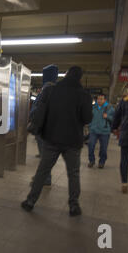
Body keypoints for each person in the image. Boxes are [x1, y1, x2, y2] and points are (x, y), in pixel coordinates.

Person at [21, 66, 92, 216]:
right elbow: (87, 118)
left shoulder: (52, 90)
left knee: (42, 171)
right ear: (80, 78)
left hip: (51, 139)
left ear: (66, 75)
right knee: (73, 174)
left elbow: (42, 110)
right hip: (73, 141)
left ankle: (30, 201)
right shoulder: (84, 94)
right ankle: (74, 206)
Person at [29, 64, 59, 186]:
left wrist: (32, 118)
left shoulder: (46, 90)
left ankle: (44, 179)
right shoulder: (57, 90)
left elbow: (37, 109)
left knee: (45, 157)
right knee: (46, 157)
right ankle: (45, 178)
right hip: (51, 129)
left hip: (43, 129)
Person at [88, 93, 115, 169]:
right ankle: (91, 161)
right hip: (93, 130)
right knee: (91, 146)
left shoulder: (110, 108)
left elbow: (115, 119)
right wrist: (90, 125)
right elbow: (89, 117)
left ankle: (101, 162)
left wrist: (108, 117)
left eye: (101, 99)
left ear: (105, 100)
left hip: (104, 132)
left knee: (103, 148)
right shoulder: (93, 107)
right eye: (98, 99)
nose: (99, 100)